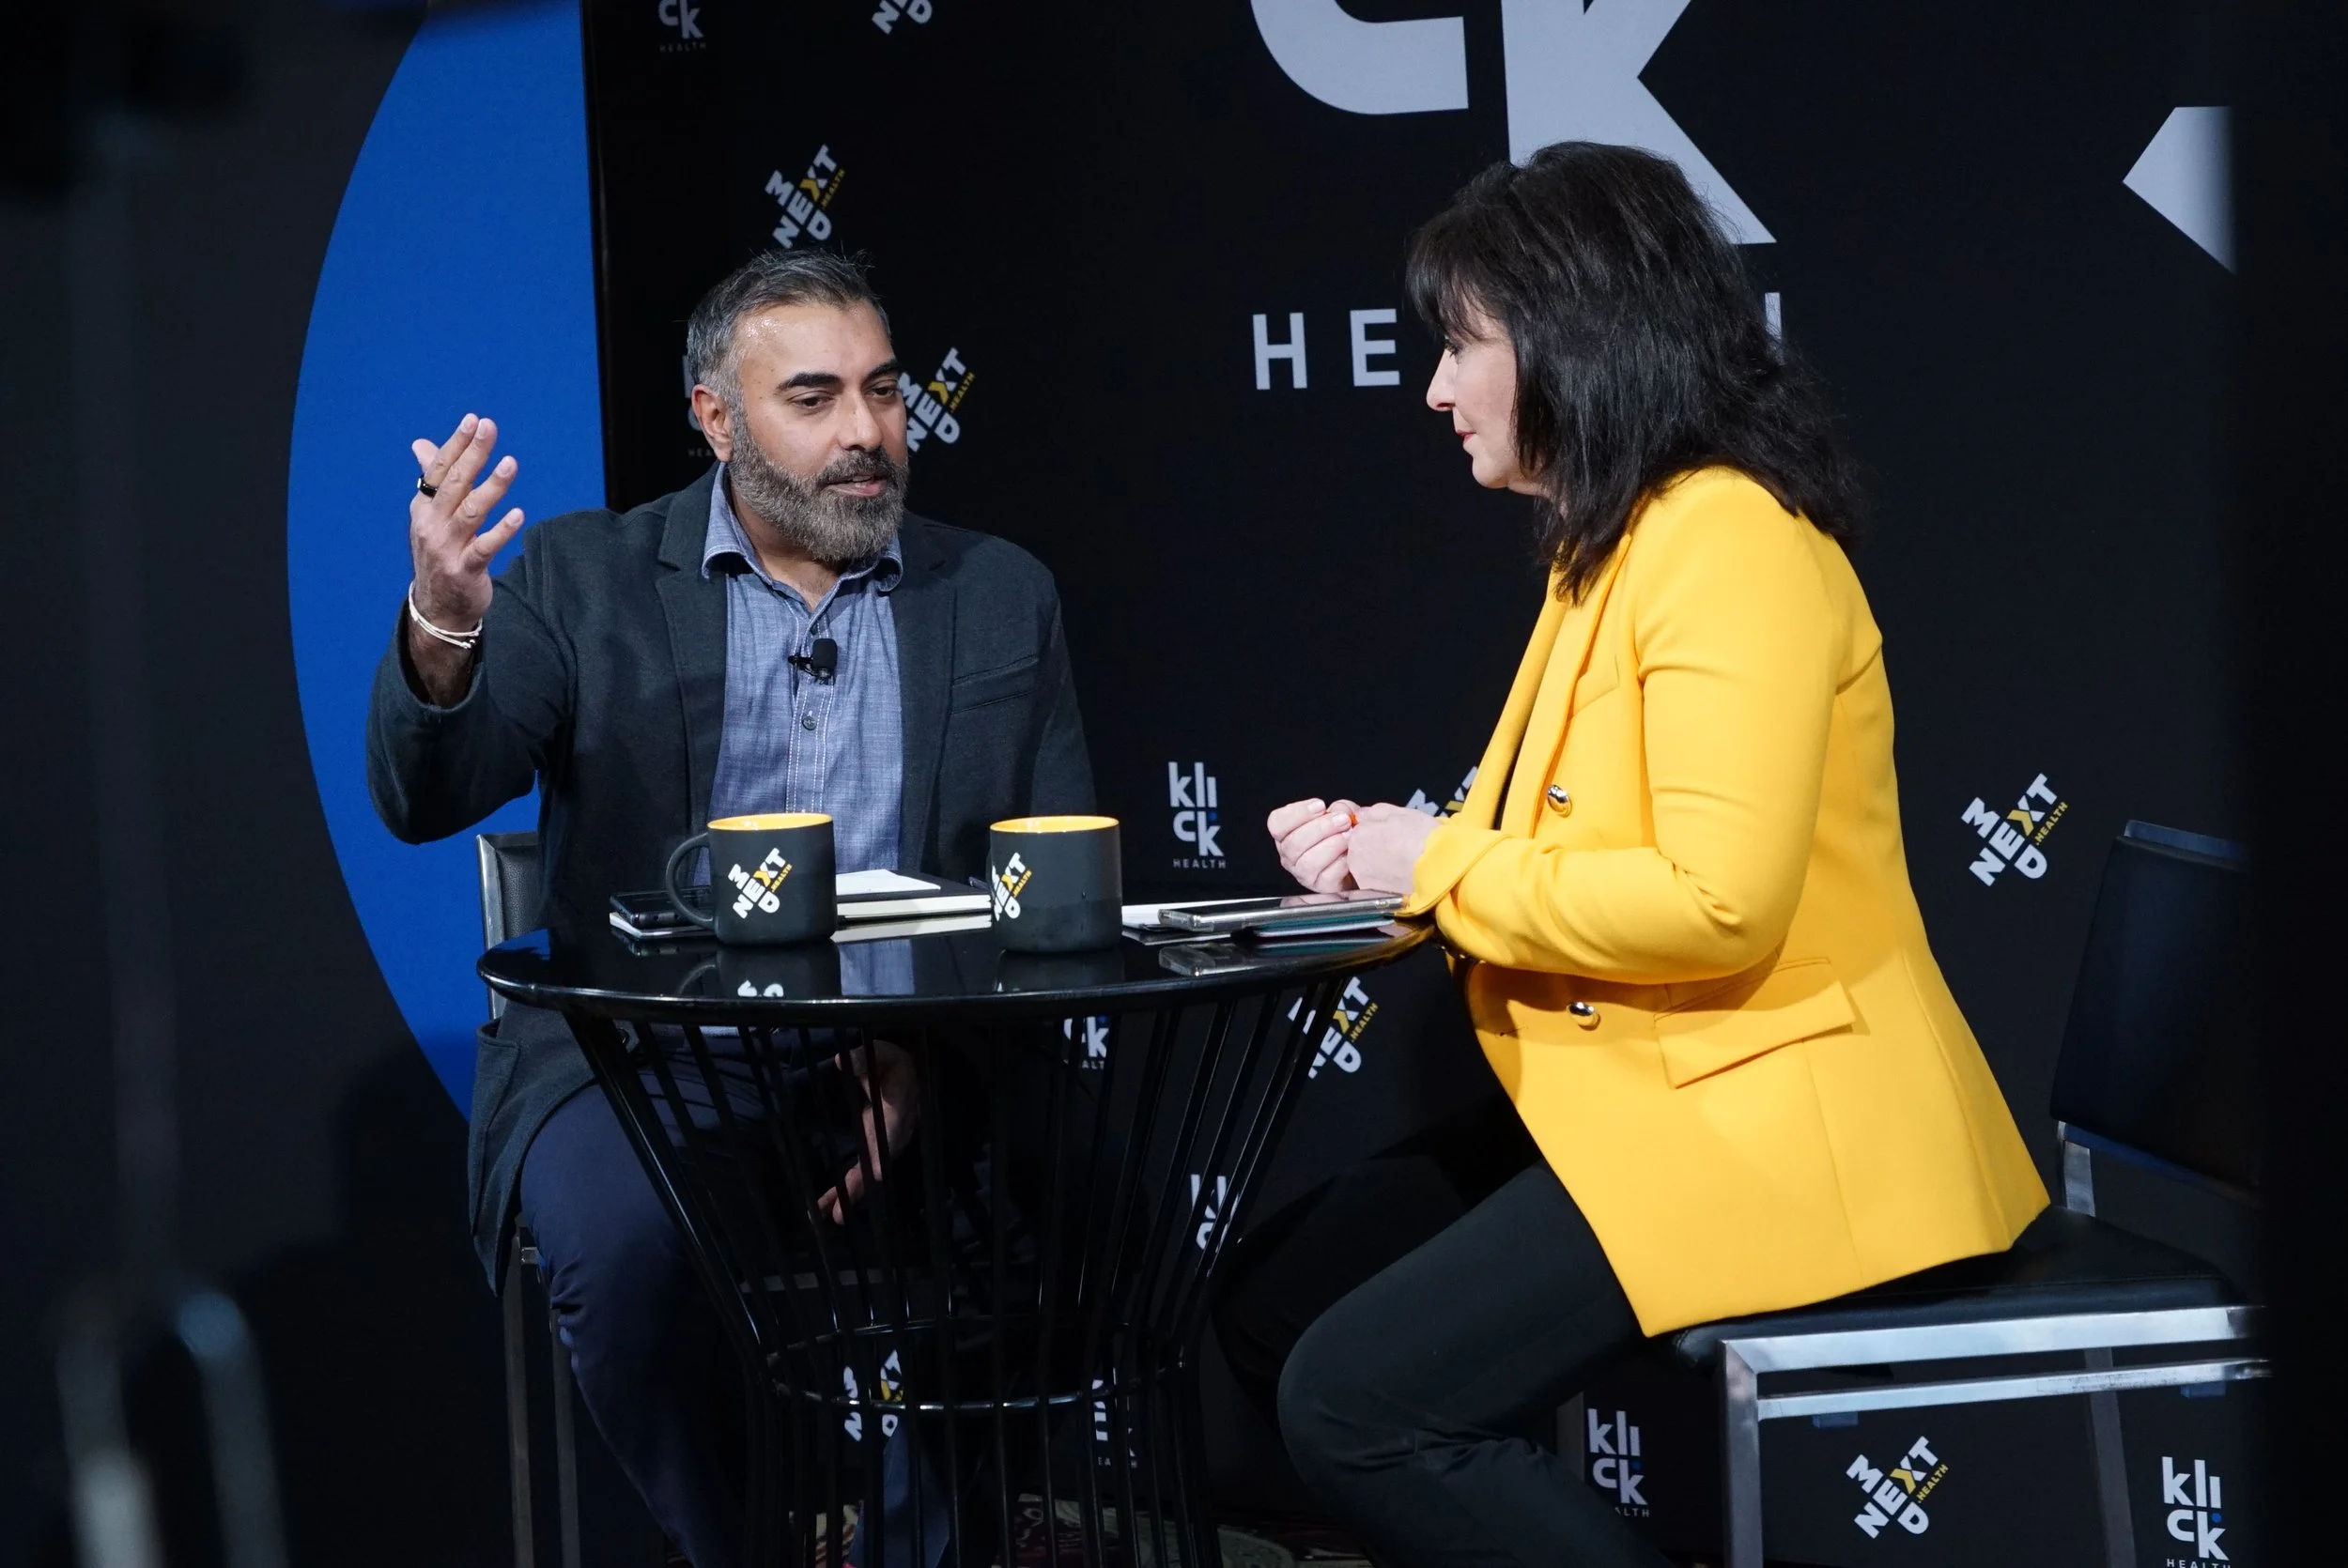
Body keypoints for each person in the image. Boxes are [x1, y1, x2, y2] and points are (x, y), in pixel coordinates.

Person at [1262, 143, 2048, 1568]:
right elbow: (1555, 838)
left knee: (1355, 1403)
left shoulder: (1727, 539)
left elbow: (1715, 902)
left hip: (1780, 1127)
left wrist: (1433, 866)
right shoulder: (1616, 539)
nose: (1435, 389)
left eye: (1462, 345)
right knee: (1268, 1304)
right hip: (1659, 1087)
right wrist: (1384, 850)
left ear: (1572, 338)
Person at [366, 250, 1091, 1567]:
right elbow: (428, 796)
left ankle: (924, 1543)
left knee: (1080, 1206)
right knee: (620, 1254)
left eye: (882, 390)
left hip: (912, 1052)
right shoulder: (584, 578)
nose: (866, 430)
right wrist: (444, 625)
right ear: (716, 417)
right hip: (644, 1059)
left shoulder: (997, 594)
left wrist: (926, 1054)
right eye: (813, 398)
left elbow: (1043, 890)